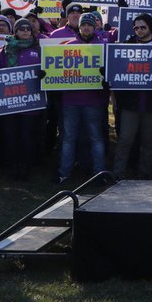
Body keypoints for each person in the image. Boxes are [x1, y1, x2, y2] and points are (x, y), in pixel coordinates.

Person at [112, 13, 152, 179]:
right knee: (125, 140)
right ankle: (118, 174)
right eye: (136, 28)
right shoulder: (126, 45)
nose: (138, 30)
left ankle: (144, 174)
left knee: (149, 141)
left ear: (151, 28)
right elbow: (116, 71)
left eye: (142, 27)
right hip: (130, 104)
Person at [56, 12, 110, 184]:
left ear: (94, 27)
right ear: (79, 27)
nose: (86, 28)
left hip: (93, 101)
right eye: (83, 25)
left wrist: (105, 76)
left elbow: (112, 73)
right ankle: (64, 173)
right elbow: (57, 71)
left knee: (96, 139)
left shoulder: (103, 47)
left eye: (89, 25)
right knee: (69, 139)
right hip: (70, 101)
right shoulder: (67, 46)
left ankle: (99, 173)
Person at [0, 18, 43, 181]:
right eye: (22, 28)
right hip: (9, 103)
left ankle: (26, 168)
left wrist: (44, 74)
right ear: (15, 31)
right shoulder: (4, 50)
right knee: (11, 136)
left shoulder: (38, 49)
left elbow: (46, 69)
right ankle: (13, 167)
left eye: (28, 28)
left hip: (30, 103)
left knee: (27, 137)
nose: (26, 31)